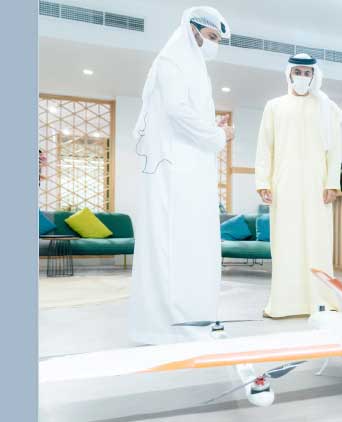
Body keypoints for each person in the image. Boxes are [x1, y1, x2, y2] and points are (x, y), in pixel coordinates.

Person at [129, 7, 233, 344]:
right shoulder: (172, 60)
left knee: (194, 244)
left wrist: (211, 128)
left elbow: (187, 114)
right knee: (176, 244)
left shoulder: (191, 65)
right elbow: (177, 111)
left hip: (189, 170)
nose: (213, 44)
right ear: (193, 29)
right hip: (174, 174)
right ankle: (173, 325)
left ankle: (195, 318)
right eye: (211, 36)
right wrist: (218, 136)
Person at [255, 53, 342, 318]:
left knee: (318, 242)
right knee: (286, 243)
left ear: (314, 76)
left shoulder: (327, 107)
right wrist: (263, 181)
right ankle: (284, 304)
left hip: (317, 185)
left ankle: (321, 301)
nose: (303, 77)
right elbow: (265, 146)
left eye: (307, 73)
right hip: (284, 184)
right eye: (298, 72)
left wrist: (332, 183)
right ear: (289, 74)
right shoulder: (274, 106)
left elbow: (335, 149)